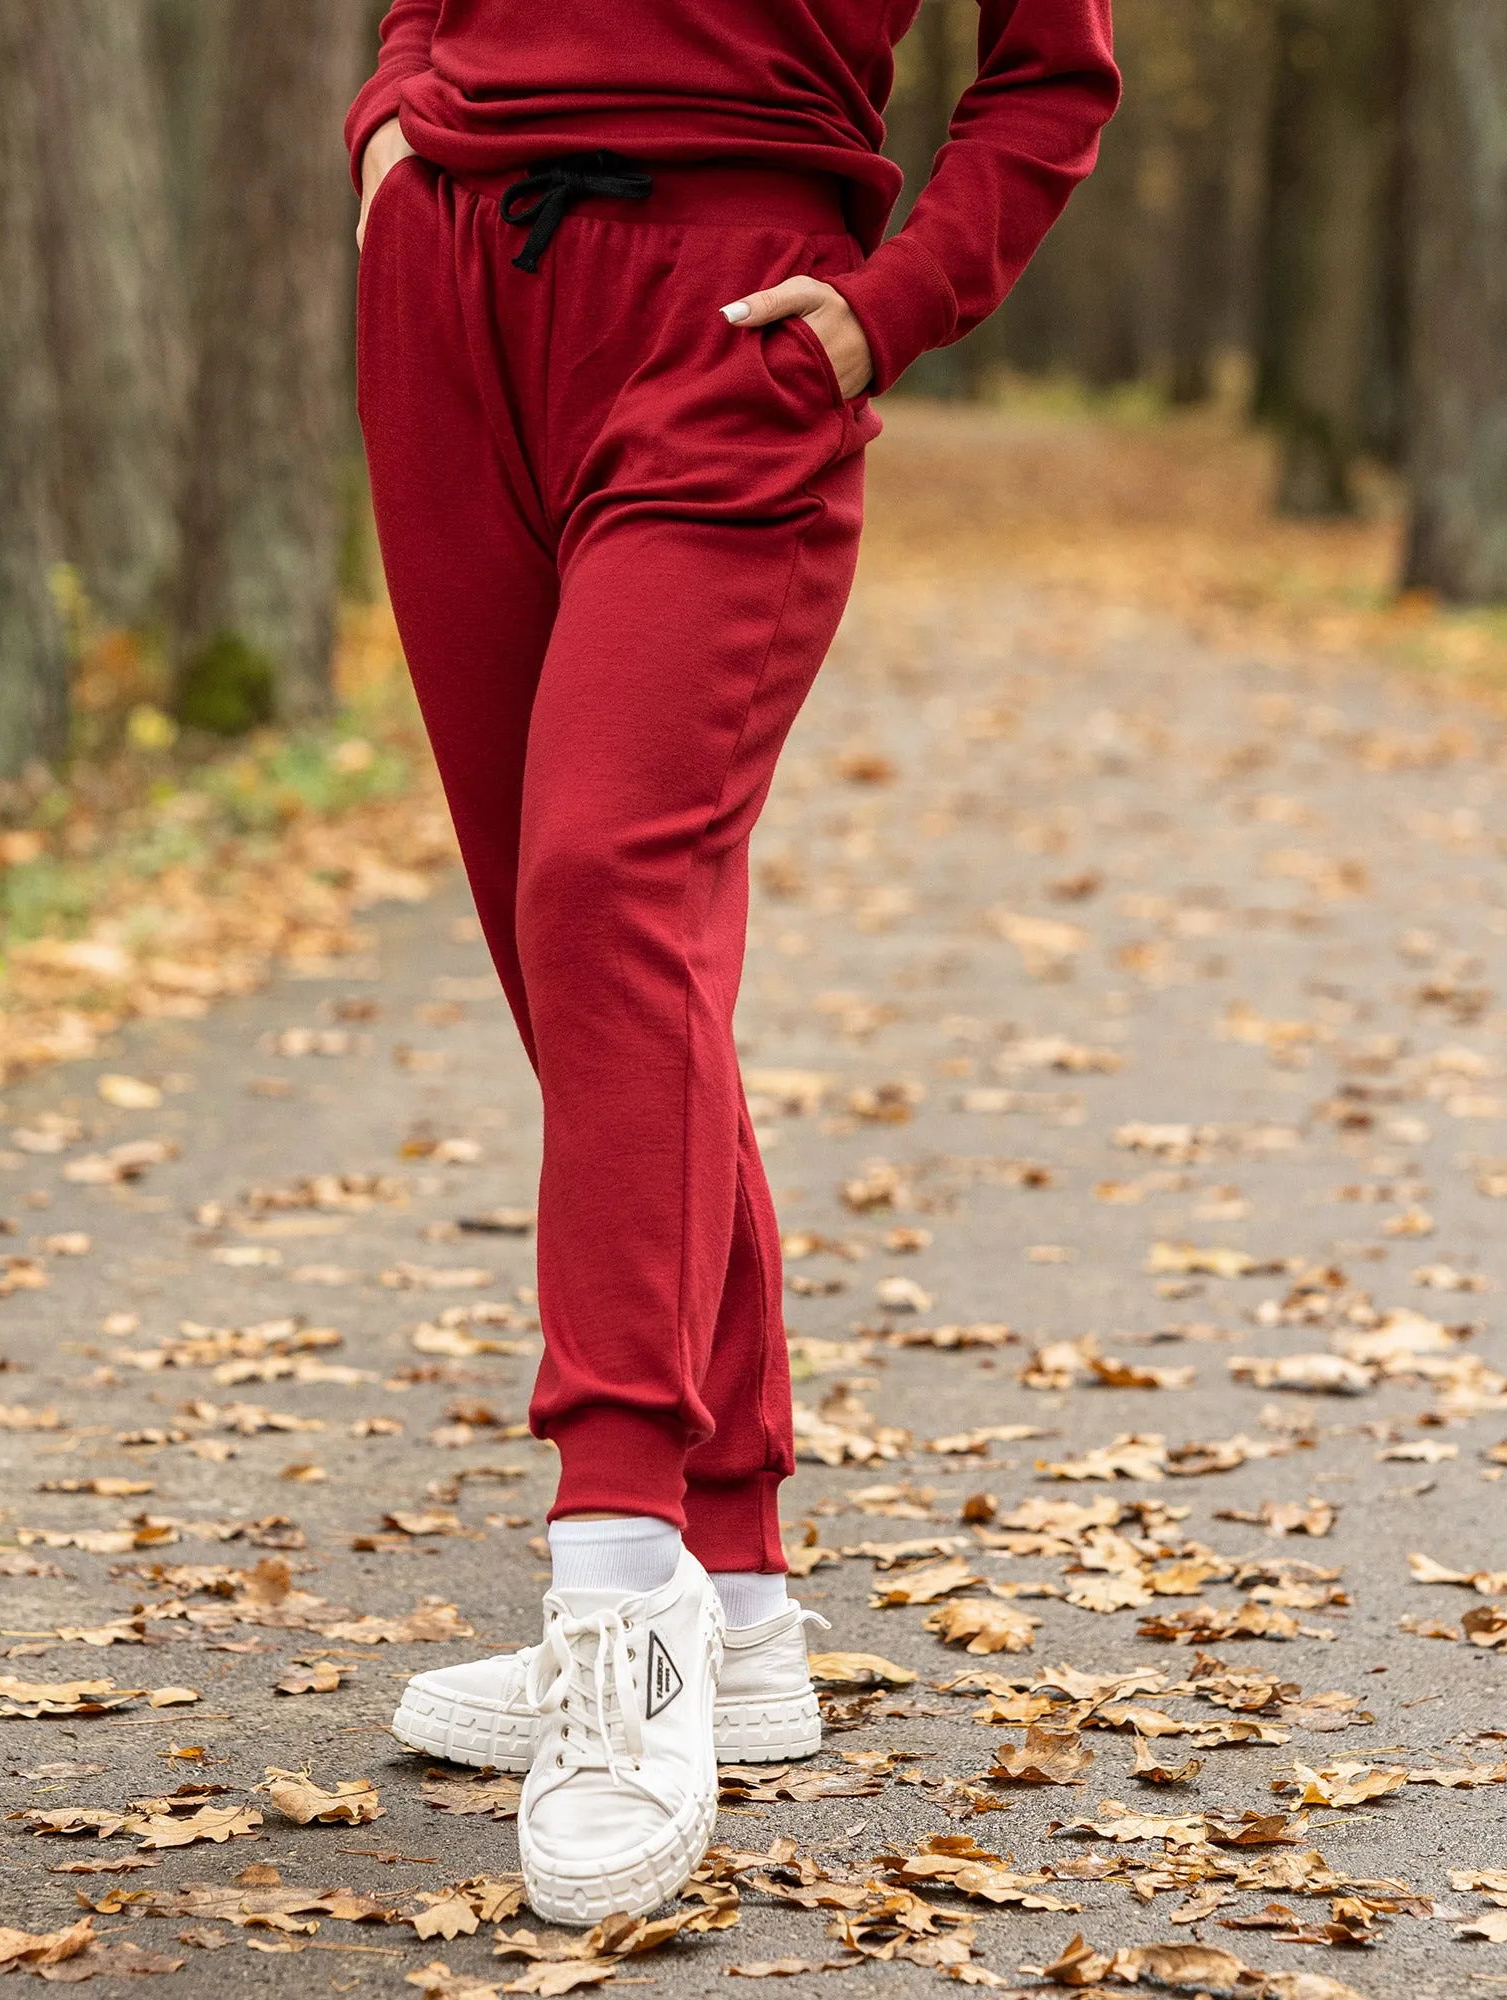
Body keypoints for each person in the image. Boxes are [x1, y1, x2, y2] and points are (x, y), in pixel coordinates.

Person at [349, 0, 1120, 1923]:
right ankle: (743, 1585)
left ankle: (616, 1600)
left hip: (732, 317)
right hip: (451, 287)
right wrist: (386, 129)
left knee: (610, 887)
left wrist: (895, 302)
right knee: (585, 964)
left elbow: (1052, 69)